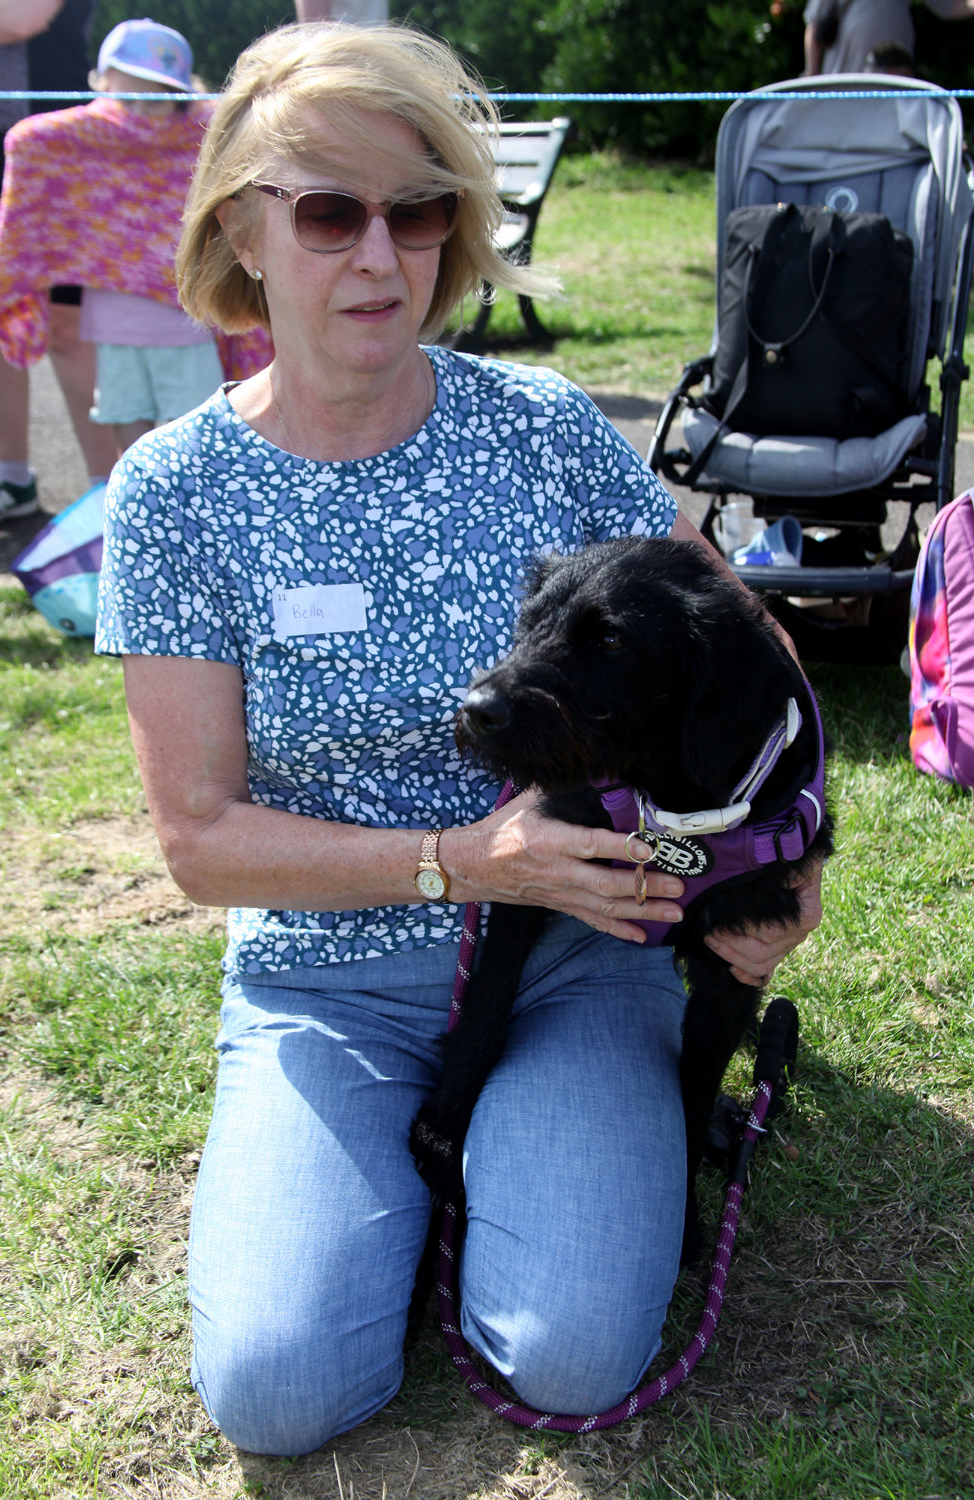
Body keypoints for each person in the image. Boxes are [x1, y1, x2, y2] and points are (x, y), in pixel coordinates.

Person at [95, 21, 825, 1456]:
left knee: (572, 1358)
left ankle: (519, 1158)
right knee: (281, 1391)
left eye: (419, 209)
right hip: (327, 982)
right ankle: (405, 1175)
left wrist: (782, 862)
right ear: (240, 225)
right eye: (328, 211)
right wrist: (461, 860)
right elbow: (200, 841)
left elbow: (755, 649)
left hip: (584, 956)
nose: (381, 256)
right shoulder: (174, 493)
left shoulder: (541, 425)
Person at [0, 18, 270, 461]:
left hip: (188, 323)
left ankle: (194, 498)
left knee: (198, 424)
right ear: (102, 84)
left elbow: (251, 130)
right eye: (130, 97)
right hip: (115, 323)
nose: (142, 116)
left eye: (156, 98)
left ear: (180, 92)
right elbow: (27, 142)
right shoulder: (79, 142)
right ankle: (129, 490)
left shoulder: (205, 139)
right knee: (127, 417)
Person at [0, 0, 118, 532]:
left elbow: (17, 19)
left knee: (69, 328)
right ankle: (12, 477)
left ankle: (109, 496)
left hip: (57, 156)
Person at [803, 0, 974, 75]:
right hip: (848, 71)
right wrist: (811, 71)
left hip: (896, 71)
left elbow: (950, 8)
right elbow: (814, 23)